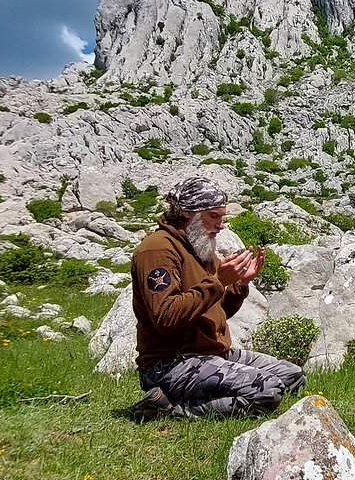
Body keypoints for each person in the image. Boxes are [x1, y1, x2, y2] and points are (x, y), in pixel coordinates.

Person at [129, 176, 305, 421]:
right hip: (171, 363)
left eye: (222, 217)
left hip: (213, 354)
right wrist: (219, 281)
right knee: (267, 389)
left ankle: (187, 400)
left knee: (292, 376)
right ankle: (168, 410)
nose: (220, 225)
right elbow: (165, 317)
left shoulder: (200, 247)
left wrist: (240, 284)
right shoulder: (158, 249)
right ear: (189, 213)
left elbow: (215, 311)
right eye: (213, 216)